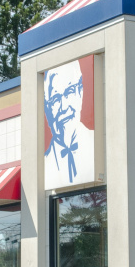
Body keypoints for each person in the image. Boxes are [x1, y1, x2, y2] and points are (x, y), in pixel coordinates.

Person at [44, 60, 94, 188]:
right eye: (55, 99)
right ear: (47, 109)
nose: (64, 106)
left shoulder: (100, 145)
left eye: (69, 91)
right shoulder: (43, 166)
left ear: (80, 93)